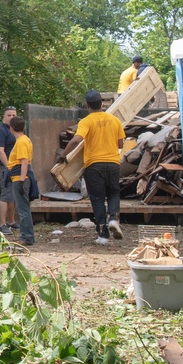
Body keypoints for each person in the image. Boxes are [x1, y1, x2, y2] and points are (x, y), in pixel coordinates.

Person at [58, 89, 125, 246]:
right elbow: (120, 143)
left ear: (87, 105)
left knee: (97, 199)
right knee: (114, 193)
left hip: (94, 166)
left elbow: (76, 140)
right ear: (101, 103)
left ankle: (103, 235)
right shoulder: (114, 120)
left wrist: (63, 155)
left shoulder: (86, 121)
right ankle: (114, 218)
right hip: (113, 163)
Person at [7, 116, 35, 246]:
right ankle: (27, 235)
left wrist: (22, 181)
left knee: (22, 209)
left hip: (20, 178)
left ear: (11, 128)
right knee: (23, 208)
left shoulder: (22, 142)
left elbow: (24, 162)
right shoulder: (23, 140)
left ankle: (27, 236)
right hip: (18, 177)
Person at [0, 106, 18, 235]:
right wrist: (8, 166)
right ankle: (2, 224)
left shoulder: (13, 130)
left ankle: (11, 221)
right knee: (5, 195)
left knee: (12, 195)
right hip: (5, 167)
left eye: (14, 115)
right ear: (4, 116)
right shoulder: (0, 131)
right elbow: (0, 151)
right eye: (9, 115)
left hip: (15, 166)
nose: (12, 118)